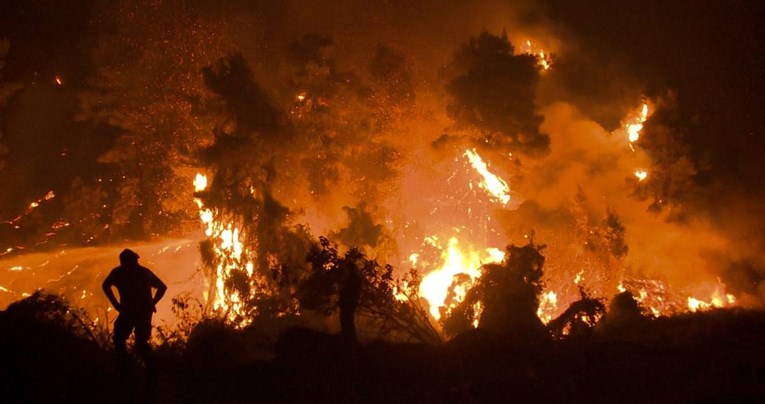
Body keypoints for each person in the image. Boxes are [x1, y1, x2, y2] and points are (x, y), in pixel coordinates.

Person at [102, 249, 167, 368]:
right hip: (140, 311)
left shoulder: (120, 273)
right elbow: (162, 287)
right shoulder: (142, 272)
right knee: (138, 343)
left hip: (132, 311)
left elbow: (105, 285)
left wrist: (116, 305)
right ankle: (148, 369)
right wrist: (152, 303)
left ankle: (129, 367)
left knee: (122, 339)